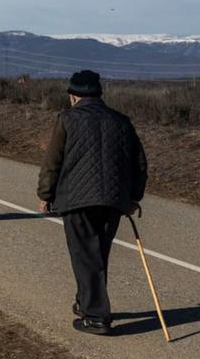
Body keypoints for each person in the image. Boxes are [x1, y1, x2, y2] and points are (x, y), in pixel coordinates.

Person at [37, 70, 147, 336]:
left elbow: (53, 161)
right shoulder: (120, 121)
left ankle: (97, 317)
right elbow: (139, 163)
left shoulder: (67, 120)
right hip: (112, 200)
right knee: (97, 254)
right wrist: (133, 197)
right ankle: (85, 302)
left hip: (77, 200)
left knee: (85, 256)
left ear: (73, 97)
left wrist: (45, 195)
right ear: (99, 95)